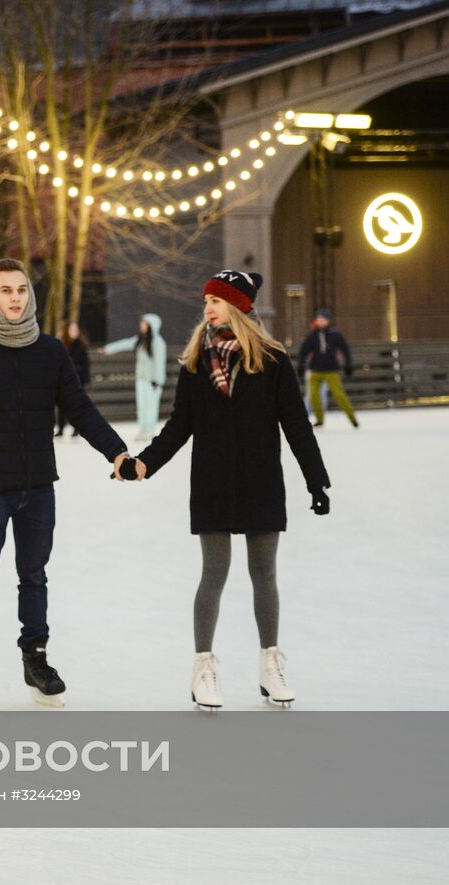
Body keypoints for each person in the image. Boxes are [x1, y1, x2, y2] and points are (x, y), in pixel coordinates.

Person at [121, 270, 330, 710]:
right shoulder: (196, 361)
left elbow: (295, 423)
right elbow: (180, 424)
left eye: (217, 301)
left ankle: (270, 663)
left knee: (264, 574)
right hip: (213, 482)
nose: (208, 308)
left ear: (239, 306)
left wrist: (316, 478)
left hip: (260, 481)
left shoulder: (271, 360)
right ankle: (203, 668)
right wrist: (145, 465)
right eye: (207, 302)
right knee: (213, 573)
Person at [0, 259, 130, 711]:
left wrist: (117, 451)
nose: (15, 298)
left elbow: (79, 408)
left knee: (34, 575)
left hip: (38, 487)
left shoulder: (49, 352)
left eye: (21, 290)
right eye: (5, 290)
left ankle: (35, 659)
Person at [102, 313, 167, 440]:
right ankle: (143, 429)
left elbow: (159, 364)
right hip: (141, 379)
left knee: (151, 406)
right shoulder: (140, 340)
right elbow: (125, 343)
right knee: (142, 405)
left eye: (144, 323)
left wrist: (158, 381)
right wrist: (108, 349)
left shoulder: (158, 343)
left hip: (153, 381)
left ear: (151, 325)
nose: (141, 325)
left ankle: (149, 430)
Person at [297, 310, 359, 428]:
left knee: (339, 395)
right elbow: (304, 351)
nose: (320, 322)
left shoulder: (335, 335)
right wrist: (300, 365)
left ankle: (352, 418)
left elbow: (345, 349)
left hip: (331, 370)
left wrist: (348, 364)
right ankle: (319, 419)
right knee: (313, 395)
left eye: (323, 320)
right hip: (315, 370)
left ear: (327, 321)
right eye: (318, 320)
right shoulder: (312, 335)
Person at [54, 320, 91, 438]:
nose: (75, 332)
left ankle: (76, 429)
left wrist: (86, 381)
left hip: (77, 380)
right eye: (72, 329)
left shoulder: (81, 345)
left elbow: (85, 365)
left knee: (76, 406)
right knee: (61, 406)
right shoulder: (61, 345)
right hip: (62, 380)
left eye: (76, 329)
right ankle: (60, 427)